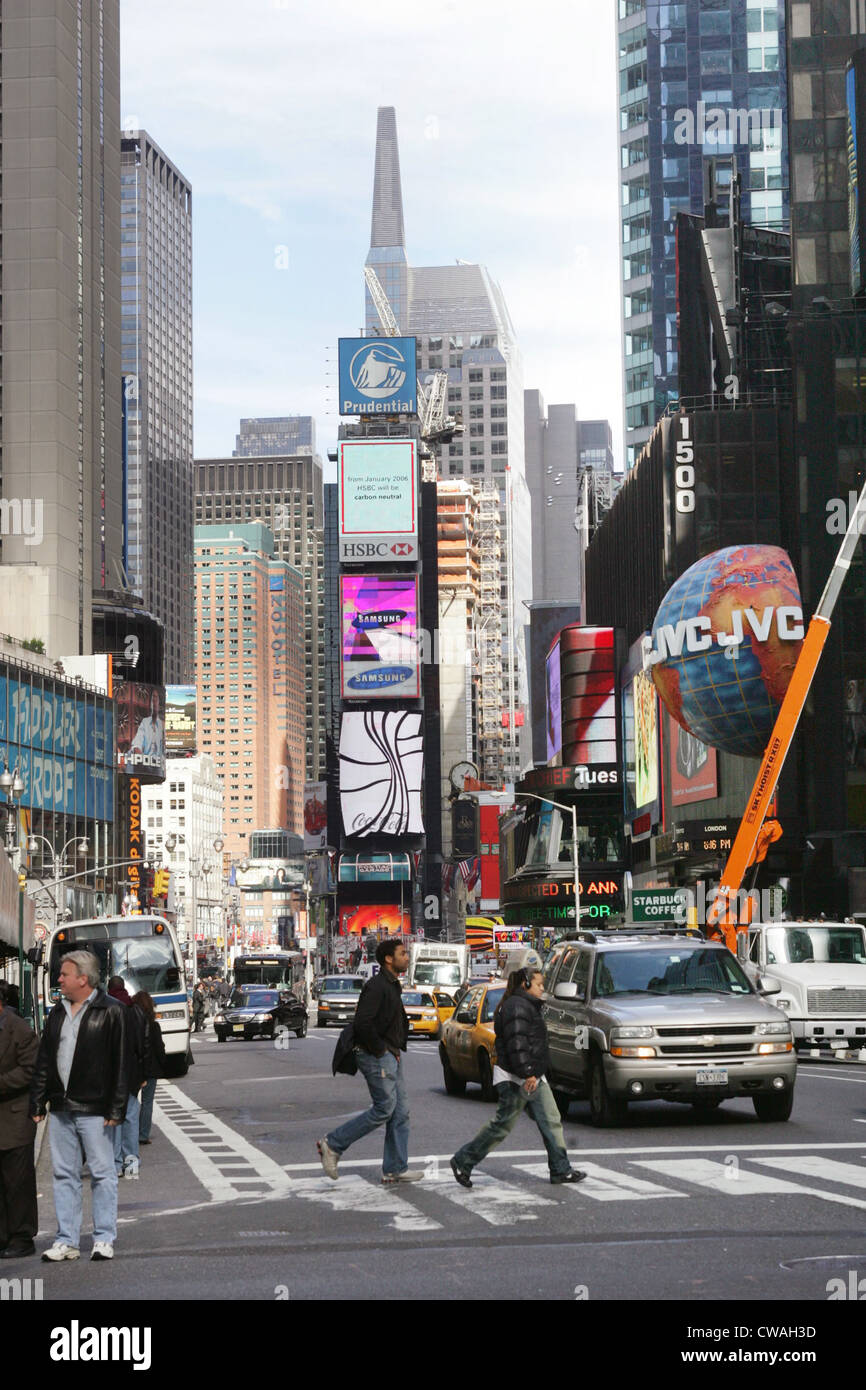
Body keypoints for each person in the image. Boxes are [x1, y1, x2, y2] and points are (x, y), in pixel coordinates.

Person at [449, 967, 587, 1188]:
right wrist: (527, 1073)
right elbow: (517, 1044)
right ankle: (462, 1161)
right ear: (526, 984)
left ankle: (561, 1169)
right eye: (539, 984)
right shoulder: (517, 1007)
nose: (543, 989)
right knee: (502, 1125)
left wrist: (533, 1073)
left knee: (551, 1120)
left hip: (531, 1076)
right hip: (517, 1078)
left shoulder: (524, 1005)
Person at [30, 951, 128, 1262]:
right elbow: (44, 1059)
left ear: (83, 979)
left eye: (64, 974)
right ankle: (67, 1241)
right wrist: (38, 1099)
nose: (59, 979)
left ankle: (103, 1238)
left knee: (102, 1173)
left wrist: (116, 1108)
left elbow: (122, 1063)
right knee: (62, 1174)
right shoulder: (57, 1012)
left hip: (96, 1107)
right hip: (61, 1106)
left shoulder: (112, 1011)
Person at [317, 939, 423, 1186]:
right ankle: (332, 1144)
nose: (407, 957)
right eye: (402, 953)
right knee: (385, 1108)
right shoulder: (377, 986)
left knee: (400, 1111)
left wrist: (392, 1049)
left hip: (390, 1053)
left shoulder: (392, 984)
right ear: (389, 959)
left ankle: (396, 1167)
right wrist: (381, 1050)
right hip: (376, 1054)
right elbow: (363, 1022)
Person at [0, 984, 39, 1258]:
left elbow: (31, 1070)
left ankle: (22, 1237)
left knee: (17, 1181)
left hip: (14, 1118)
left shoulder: (18, 1029)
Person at [133, 992, 166, 1147]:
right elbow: (159, 1048)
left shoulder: (130, 1023)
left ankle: (130, 1132)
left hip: (133, 1069)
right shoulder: (153, 1025)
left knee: (131, 1102)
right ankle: (143, 1134)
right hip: (151, 1068)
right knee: (147, 1102)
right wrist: (163, 1063)